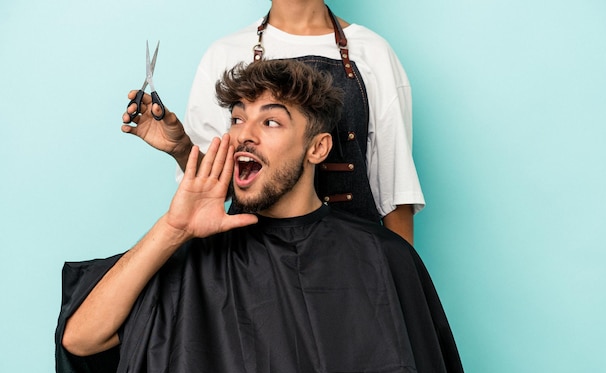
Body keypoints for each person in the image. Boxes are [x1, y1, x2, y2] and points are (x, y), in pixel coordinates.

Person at [57, 60, 473, 373]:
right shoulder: (191, 255)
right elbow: (82, 339)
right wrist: (174, 229)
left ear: (318, 148)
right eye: (237, 118)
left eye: (270, 121)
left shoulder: (384, 259)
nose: (244, 134)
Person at [122, 0, 424, 244]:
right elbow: (218, 185)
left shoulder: (374, 52)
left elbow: (396, 195)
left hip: (355, 265)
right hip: (248, 264)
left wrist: (403, 290)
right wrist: (181, 148)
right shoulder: (224, 54)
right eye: (240, 117)